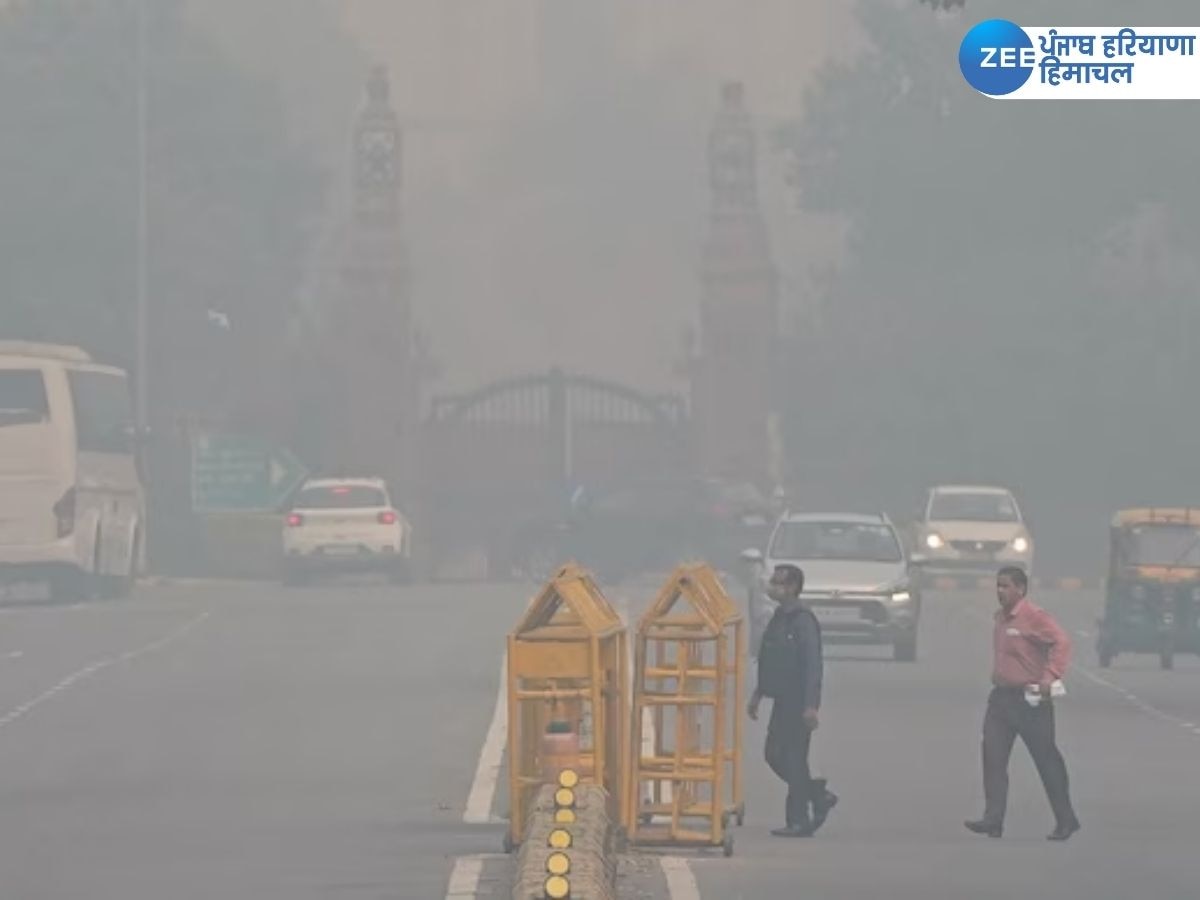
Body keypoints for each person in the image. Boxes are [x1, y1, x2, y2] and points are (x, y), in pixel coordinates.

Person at [966, 566, 1081, 841]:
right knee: (993, 757)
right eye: (998, 586)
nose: (1000, 591)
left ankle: (1066, 819)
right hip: (1001, 699)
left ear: (1021, 589)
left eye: (1005, 586)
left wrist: (1050, 676)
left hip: (1030, 701)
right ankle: (993, 819)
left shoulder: (1034, 617)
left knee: (1046, 760)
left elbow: (1062, 642)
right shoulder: (1000, 618)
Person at [747, 564, 837, 836]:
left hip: (798, 702)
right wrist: (758, 694)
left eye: (779, 583)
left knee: (795, 759)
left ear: (793, 587)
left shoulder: (803, 620)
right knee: (773, 755)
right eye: (773, 582)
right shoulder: (780, 617)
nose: (773, 587)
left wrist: (811, 705)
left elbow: (812, 665)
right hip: (781, 700)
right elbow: (769, 658)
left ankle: (798, 820)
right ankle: (817, 795)